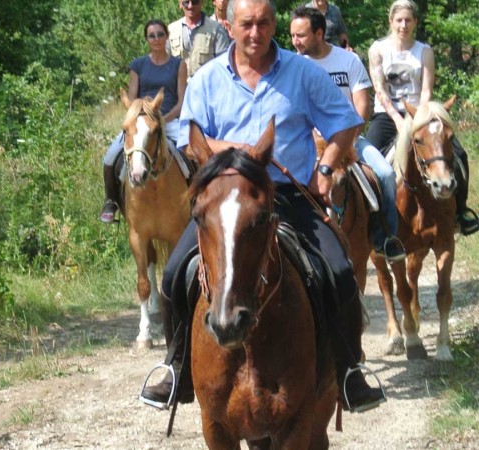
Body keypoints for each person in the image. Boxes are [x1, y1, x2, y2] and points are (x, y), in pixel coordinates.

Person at [139, 0, 386, 413]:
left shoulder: (303, 72)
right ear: (230, 26)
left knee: (340, 271)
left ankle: (348, 370)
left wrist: (325, 167)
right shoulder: (207, 79)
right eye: (247, 24)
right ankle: (177, 367)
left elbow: (346, 123)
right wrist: (239, 151)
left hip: (286, 193)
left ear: (276, 24)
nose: (255, 33)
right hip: (223, 201)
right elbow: (189, 138)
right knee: (172, 275)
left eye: (264, 23)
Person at [290, 6, 406, 262]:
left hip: (350, 139)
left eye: (300, 35)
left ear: (319, 33)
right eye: (292, 36)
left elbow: (362, 107)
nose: (294, 42)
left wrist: (347, 140)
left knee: (385, 174)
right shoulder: (293, 66)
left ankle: (385, 237)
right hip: (310, 144)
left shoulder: (348, 60)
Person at [366, 0, 479, 235]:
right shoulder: (377, 49)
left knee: (458, 154)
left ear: (416, 22)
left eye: (408, 20)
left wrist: (419, 117)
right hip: (387, 115)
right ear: (391, 21)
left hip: (421, 114)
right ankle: (370, 218)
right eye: (399, 20)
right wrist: (398, 118)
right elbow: (380, 89)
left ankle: (461, 211)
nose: (403, 25)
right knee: (366, 162)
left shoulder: (424, 51)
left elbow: (426, 90)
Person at [99, 20, 188, 223]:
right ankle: (111, 201)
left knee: (188, 155)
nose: (156, 39)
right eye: (151, 35)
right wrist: (139, 120)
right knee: (110, 156)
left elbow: (182, 102)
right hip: (140, 122)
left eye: (160, 34)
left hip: (169, 120)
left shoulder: (178, 65)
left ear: (167, 36)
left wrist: (160, 121)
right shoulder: (138, 65)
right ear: (147, 39)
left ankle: (196, 201)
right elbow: (131, 98)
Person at [167, 0, 231, 79]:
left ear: (202, 2)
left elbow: (223, 66)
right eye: (186, 2)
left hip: (206, 88)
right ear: (180, 4)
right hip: (177, 89)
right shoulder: (171, 30)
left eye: (195, 2)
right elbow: (164, 65)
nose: (190, 6)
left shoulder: (216, 30)